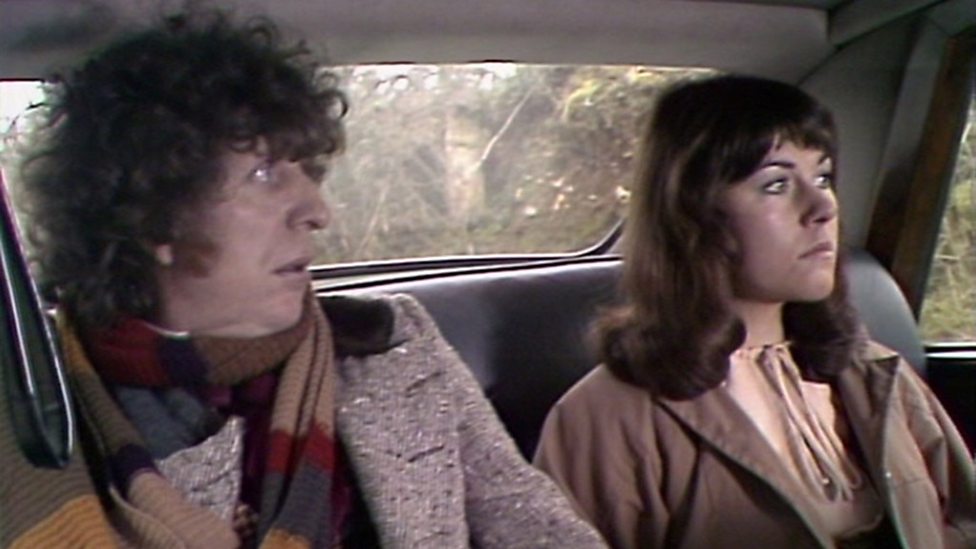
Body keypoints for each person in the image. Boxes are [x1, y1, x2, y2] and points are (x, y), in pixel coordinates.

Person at [5, 9, 606, 549]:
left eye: (309, 172)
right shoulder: (45, 415)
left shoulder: (389, 342)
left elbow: (539, 528)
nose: (318, 211)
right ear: (154, 215)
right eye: (266, 174)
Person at [533, 75, 976, 549]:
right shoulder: (605, 419)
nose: (823, 207)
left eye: (823, 178)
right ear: (694, 214)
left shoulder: (878, 373)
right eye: (777, 184)